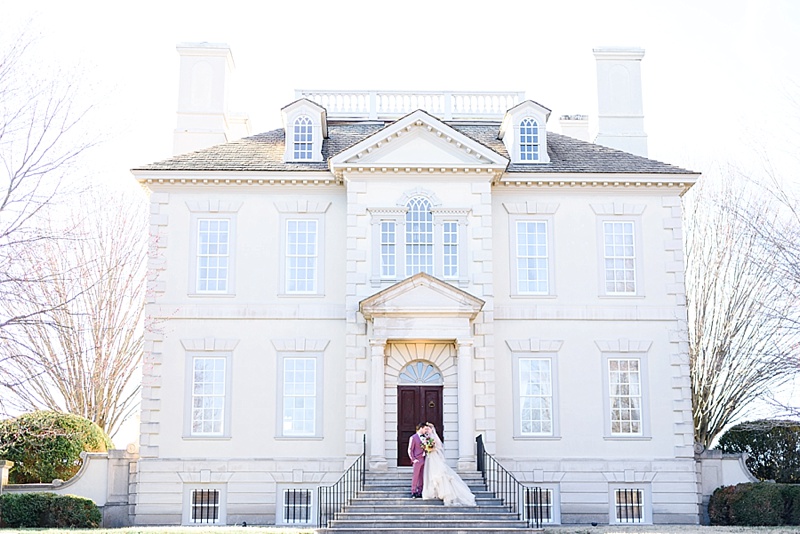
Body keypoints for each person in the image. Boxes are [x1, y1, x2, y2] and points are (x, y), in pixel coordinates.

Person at [421, 423, 476, 506]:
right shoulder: (427, 438)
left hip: (435, 457)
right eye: (426, 429)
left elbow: (439, 447)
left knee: (439, 474)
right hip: (430, 458)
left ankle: (443, 492)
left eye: (428, 428)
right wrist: (427, 448)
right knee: (431, 474)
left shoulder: (434, 437)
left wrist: (431, 448)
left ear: (432, 429)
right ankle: (434, 492)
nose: (427, 430)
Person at [407, 422, 427, 498]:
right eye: (425, 428)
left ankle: (420, 491)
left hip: (424, 459)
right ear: (421, 428)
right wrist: (413, 459)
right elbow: (410, 450)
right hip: (417, 460)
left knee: (421, 476)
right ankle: (413, 491)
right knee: (415, 476)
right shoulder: (413, 437)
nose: (425, 430)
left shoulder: (425, 437)